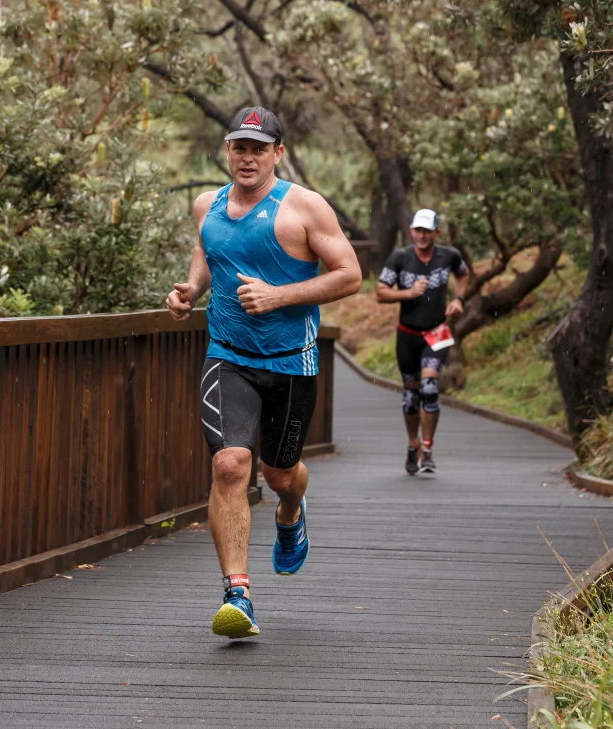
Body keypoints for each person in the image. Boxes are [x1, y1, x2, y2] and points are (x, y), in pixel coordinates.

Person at [165, 106, 361, 639]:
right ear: (227, 151)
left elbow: (350, 275)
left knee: (280, 475)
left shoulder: (305, 207)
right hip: (227, 355)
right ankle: (238, 594)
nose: (247, 158)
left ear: (278, 153)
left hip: (291, 362)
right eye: (239, 147)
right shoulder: (207, 205)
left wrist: (278, 296)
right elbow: (207, 250)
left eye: (259, 148)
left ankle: (291, 510)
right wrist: (190, 290)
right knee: (230, 464)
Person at [374, 209, 469, 475]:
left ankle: (427, 448)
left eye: (427, 231)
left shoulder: (449, 256)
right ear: (411, 231)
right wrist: (408, 293)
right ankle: (412, 444)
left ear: (436, 232)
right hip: (407, 335)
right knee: (410, 397)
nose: (422, 236)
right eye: (418, 230)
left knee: (429, 388)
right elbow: (380, 293)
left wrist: (458, 299)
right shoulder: (400, 257)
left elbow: (463, 274)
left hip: (436, 333)